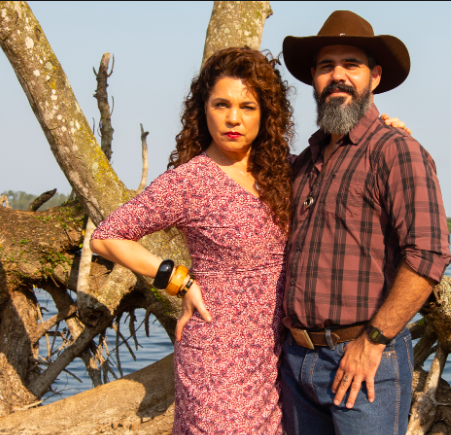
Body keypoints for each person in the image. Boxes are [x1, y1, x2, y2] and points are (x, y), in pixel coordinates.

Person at [89, 47, 294, 435]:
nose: (234, 118)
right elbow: (106, 237)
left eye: (247, 107)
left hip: (278, 358)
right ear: (204, 109)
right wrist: (177, 278)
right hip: (216, 359)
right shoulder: (189, 181)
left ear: (266, 113)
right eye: (222, 104)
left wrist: (386, 129)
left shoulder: (287, 172)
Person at [279, 10, 451, 435]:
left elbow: (428, 254)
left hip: (364, 359)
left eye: (350, 65)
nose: (337, 76)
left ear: (374, 77)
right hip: (296, 360)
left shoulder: (395, 151)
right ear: (314, 80)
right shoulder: (303, 164)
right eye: (325, 66)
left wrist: (372, 342)